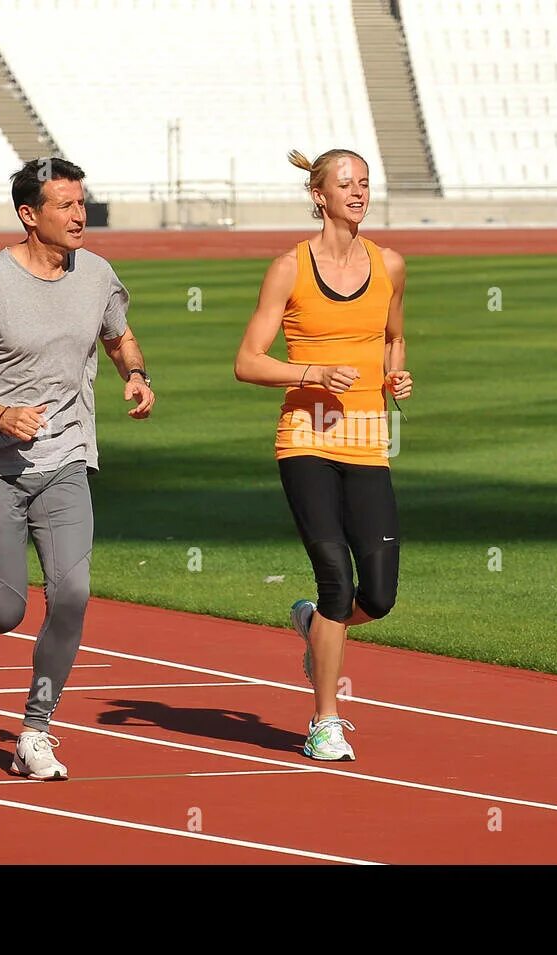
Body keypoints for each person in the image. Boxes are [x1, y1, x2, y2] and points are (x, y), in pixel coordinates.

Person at [0, 157, 155, 780]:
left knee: (72, 596)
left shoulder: (95, 274)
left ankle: (36, 730)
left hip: (65, 459)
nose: (79, 216)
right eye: (64, 205)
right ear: (28, 215)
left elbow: (118, 334)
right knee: (4, 611)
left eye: (81, 203)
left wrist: (136, 375)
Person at [234, 148, 412, 761]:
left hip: (367, 440)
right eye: (346, 183)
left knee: (380, 595)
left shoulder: (390, 264)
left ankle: (314, 627)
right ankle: (325, 720)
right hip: (305, 439)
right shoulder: (289, 268)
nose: (359, 192)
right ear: (319, 195)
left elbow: (393, 336)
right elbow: (248, 361)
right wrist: (311, 371)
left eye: (365, 182)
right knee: (336, 578)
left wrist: (396, 375)